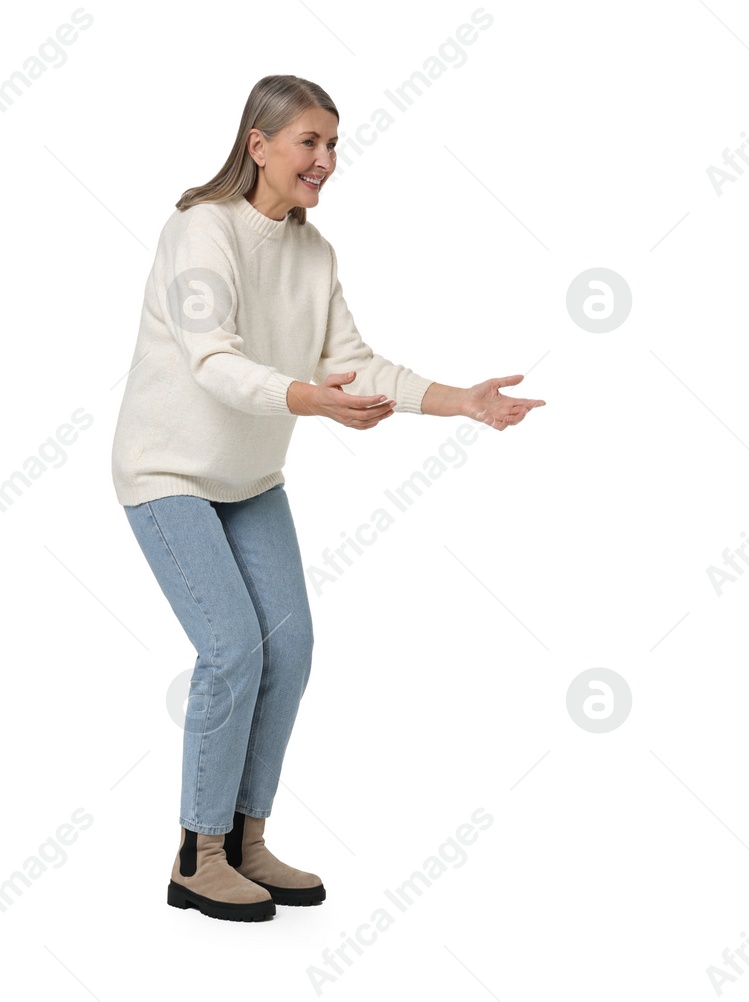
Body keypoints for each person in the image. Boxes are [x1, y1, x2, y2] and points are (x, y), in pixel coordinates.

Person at [111, 74, 543, 922]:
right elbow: (213, 361)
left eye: (334, 143)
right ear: (258, 145)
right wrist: (312, 400)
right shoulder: (200, 233)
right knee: (233, 648)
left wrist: (461, 400)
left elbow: (352, 361)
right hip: (167, 472)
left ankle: (246, 836)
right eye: (310, 141)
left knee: (291, 649)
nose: (326, 160)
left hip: (249, 476)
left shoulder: (314, 252)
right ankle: (197, 856)